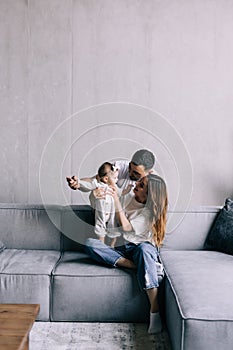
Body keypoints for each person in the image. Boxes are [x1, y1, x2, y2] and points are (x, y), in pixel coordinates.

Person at [84, 173, 168, 334]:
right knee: (90, 244)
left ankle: (155, 310)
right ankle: (140, 267)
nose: (136, 184)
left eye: (141, 185)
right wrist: (95, 196)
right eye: (139, 182)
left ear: (150, 196)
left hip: (143, 246)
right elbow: (105, 207)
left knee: (144, 251)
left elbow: (127, 227)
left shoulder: (150, 213)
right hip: (123, 249)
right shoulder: (128, 195)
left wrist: (116, 201)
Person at [66, 149, 156, 197]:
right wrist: (79, 184)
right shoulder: (119, 167)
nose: (130, 173)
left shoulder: (155, 184)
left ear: (149, 172)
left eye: (136, 173)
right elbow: (95, 180)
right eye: (130, 167)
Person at [77, 161, 121, 248]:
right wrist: (78, 182)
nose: (117, 180)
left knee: (114, 228)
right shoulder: (97, 185)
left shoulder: (114, 187)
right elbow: (88, 184)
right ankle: (102, 247)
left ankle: (112, 247)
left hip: (111, 214)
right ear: (106, 179)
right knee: (100, 229)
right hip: (101, 214)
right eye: (115, 178)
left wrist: (127, 189)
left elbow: (121, 193)